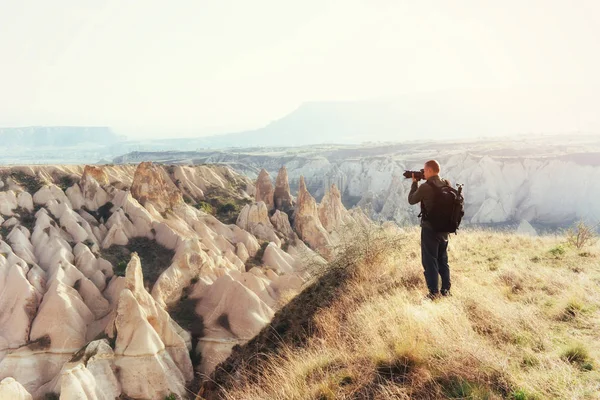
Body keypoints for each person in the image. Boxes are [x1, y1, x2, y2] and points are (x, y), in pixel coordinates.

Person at [407, 160, 451, 299]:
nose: (423, 173)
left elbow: (412, 200)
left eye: (424, 171)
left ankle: (433, 293)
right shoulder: (446, 183)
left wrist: (415, 183)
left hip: (430, 229)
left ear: (431, 171)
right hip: (444, 229)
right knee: (442, 260)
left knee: (429, 261)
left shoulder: (426, 187)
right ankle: (446, 291)